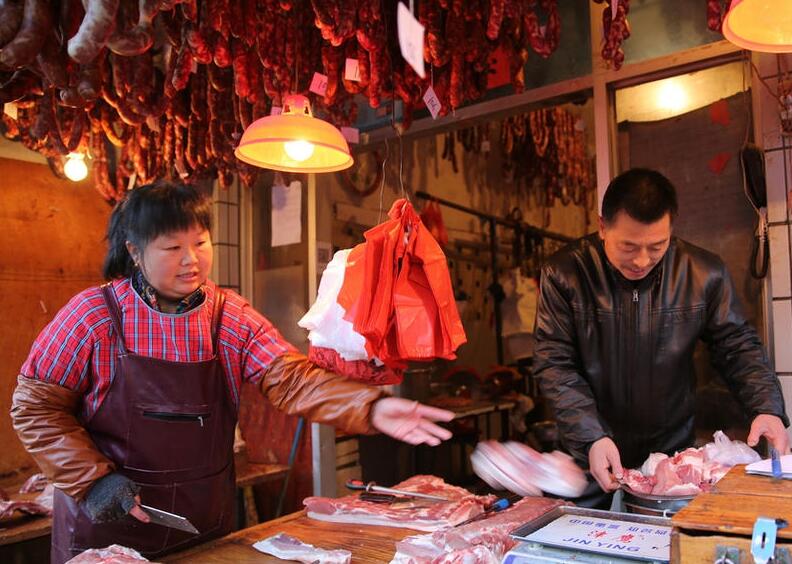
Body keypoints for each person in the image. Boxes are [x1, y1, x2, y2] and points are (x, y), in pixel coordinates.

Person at [11, 182, 455, 563]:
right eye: (171, 248)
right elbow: (35, 409)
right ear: (134, 251)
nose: (191, 260)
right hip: (109, 525)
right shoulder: (92, 315)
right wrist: (92, 482)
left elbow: (291, 379)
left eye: (199, 243)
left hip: (201, 525)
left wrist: (371, 408)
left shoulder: (229, 315)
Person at [533, 168, 789, 508]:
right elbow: (554, 362)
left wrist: (766, 407)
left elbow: (738, 346)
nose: (641, 261)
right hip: (589, 447)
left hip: (670, 454)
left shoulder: (703, 272)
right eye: (628, 246)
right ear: (602, 226)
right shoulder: (565, 272)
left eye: (657, 246)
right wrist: (590, 435)